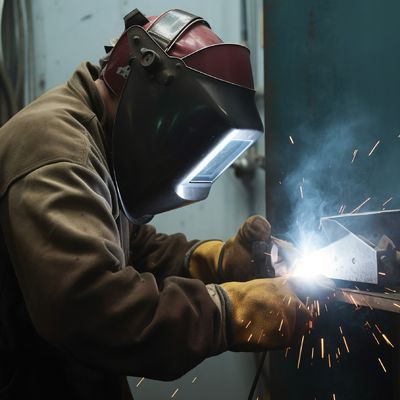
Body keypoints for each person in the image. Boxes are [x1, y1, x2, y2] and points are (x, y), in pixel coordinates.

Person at [0, 8, 311, 400]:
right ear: (151, 98)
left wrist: (215, 262)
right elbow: (92, 310)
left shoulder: (96, 138)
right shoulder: (58, 153)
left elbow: (130, 251)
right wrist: (229, 312)